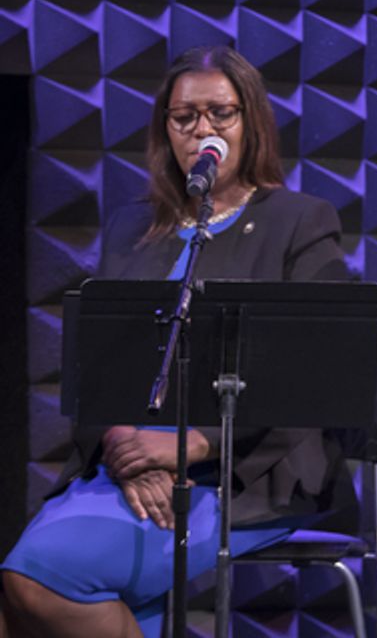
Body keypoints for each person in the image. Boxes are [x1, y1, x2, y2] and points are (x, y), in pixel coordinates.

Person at [1, 46, 355, 637]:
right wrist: (121, 445)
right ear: (165, 129)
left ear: (252, 122)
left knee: (38, 577)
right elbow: (95, 363)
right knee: (15, 599)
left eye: (222, 113)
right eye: (183, 116)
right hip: (128, 467)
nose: (203, 130)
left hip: (246, 470)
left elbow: (316, 371)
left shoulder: (299, 221)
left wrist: (192, 445)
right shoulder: (133, 229)